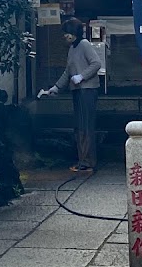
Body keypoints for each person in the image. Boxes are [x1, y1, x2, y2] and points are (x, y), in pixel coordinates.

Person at [43, 17, 101, 173]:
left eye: (67, 32)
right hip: (78, 90)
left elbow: (96, 63)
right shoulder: (72, 48)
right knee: (80, 126)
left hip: (87, 89)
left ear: (74, 32)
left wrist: (82, 76)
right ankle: (83, 159)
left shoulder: (84, 44)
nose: (65, 35)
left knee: (85, 125)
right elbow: (68, 71)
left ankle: (87, 161)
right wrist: (56, 87)